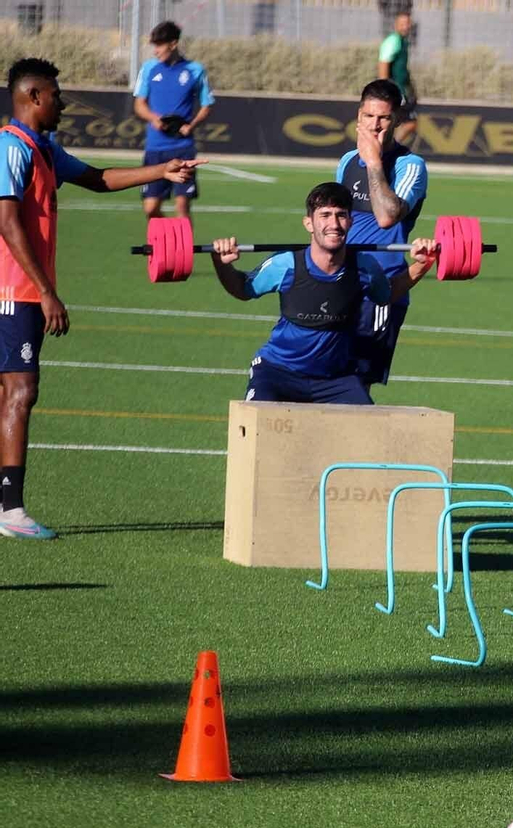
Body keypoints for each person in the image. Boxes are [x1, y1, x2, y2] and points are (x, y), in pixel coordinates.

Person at [0, 57, 206, 540]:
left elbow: (98, 178)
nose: (63, 101)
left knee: (11, 393)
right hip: (15, 291)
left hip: (21, 291)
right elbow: (7, 223)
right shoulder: (12, 147)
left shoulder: (43, 148)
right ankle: (11, 511)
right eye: (55, 94)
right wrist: (48, 293)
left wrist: (163, 169)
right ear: (32, 97)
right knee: (21, 392)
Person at [209, 182, 437, 404]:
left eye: (341, 215)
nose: (334, 223)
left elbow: (387, 294)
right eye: (325, 215)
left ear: (351, 222)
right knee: (257, 431)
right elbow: (242, 288)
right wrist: (221, 264)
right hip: (278, 371)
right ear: (309, 223)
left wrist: (422, 264)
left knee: (370, 435)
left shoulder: (364, 268)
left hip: (336, 380)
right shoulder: (285, 264)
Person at [337, 79, 428, 391]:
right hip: (340, 285)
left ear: (397, 120)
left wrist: (375, 162)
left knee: (357, 384)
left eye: (384, 118)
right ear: (358, 116)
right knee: (327, 378)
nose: (375, 125)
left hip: (382, 289)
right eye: (368, 116)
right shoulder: (347, 162)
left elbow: (387, 216)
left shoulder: (410, 166)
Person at [131, 21, 214, 222]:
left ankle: (183, 251)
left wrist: (191, 125)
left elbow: (207, 105)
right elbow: (139, 104)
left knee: (182, 206)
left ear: (173, 44)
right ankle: (169, 239)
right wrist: (154, 118)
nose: (156, 51)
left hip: (182, 147)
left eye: (159, 45)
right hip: (155, 148)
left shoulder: (195, 70)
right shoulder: (149, 68)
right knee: (150, 208)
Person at [377, 8, 418, 146]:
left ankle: (387, 147)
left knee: (400, 123)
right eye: (402, 23)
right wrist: (385, 89)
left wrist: (410, 87)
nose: (406, 26)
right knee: (409, 123)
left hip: (401, 90)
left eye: (407, 23)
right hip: (395, 91)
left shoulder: (403, 41)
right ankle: (387, 147)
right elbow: (383, 63)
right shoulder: (393, 41)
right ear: (396, 25)